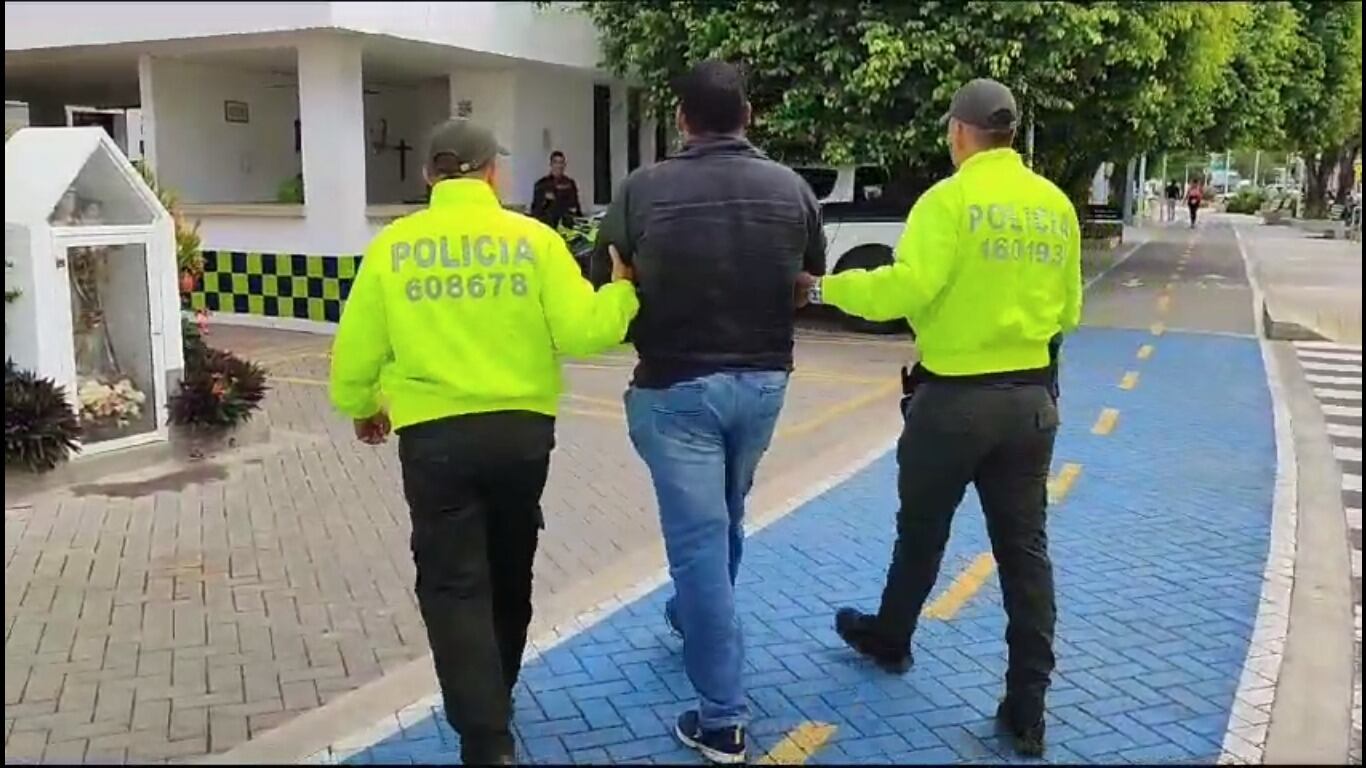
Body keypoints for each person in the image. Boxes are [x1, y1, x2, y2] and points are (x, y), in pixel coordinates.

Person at [329, 118, 639, 765]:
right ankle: (499, 689)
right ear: (492, 172)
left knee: (452, 583)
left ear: (429, 176)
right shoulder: (533, 240)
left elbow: (354, 354)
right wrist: (622, 292)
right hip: (521, 438)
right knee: (509, 566)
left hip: (434, 440)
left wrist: (364, 408)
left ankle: (485, 736)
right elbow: (585, 332)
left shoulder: (395, 246)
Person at [797, 78, 1080, 759]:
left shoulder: (948, 201)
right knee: (1025, 555)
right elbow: (1068, 311)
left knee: (921, 532)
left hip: (953, 402)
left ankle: (892, 640)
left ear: (959, 132)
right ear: (1008, 135)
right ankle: (1027, 707)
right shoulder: (1055, 206)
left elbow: (906, 287)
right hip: (1031, 402)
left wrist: (825, 287)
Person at [592, 59, 825, 765]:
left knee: (699, 541)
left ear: (683, 120)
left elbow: (613, 273)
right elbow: (806, 284)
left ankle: (722, 720)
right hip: (762, 385)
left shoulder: (642, 190)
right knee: (725, 516)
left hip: (675, 388)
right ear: (748, 116)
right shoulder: (791, 189)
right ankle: (689, 615)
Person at [530, 150, 584, 229]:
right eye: (556, 162)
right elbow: (535, 210)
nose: (559, 166)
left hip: (567, 226)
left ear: (564, 165)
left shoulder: (569, 183)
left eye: (561, 162)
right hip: (548, 227)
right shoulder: (541, 184)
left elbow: (576, 207)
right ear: (551, 164)